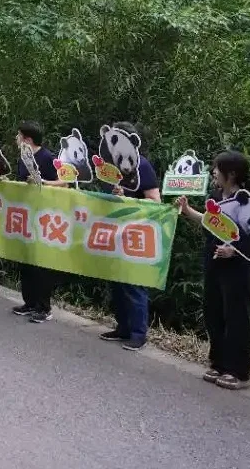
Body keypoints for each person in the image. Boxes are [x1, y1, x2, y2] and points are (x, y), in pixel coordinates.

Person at [175, 151, 250, 390]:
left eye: (216, 169)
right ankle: (219, 362)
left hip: (238, 267)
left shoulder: (248, 200)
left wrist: (235, 250)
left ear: (231, 174)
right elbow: (210, 224)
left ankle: (239, 370)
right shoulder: (215, 196)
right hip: (213, 262)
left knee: (236, 317)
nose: (213, 172)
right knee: (213, 312)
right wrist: (188, 210)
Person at [98, 121, 160, 351]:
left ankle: (138, 333)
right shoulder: (107, 165)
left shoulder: (142, 165)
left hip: (136, 232)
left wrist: (128, 198)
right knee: (116, 282)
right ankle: (122, 326)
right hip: (113, 231)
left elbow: (156, 202)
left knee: (134, 284)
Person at [9, 121, 61, 321]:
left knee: (41, 264)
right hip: (25, 215)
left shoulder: (47, 157)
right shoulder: (24, 156)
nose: (16, 138)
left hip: (44, 217)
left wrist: (44, 183)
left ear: (28, 139)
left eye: (18, 135)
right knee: (27, 260)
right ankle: (29, 302)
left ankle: (43, 307)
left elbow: (65, 182)